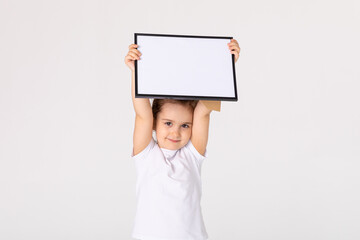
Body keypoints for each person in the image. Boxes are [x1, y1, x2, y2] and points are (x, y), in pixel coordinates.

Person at [124, 38, 240, 240]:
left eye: (185, 125)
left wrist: (227, 65)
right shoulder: (146, 155)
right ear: (154, 123)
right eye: (168, 123)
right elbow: (142, 113)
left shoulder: (192, 156)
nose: (176, 133)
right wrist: (136, 72)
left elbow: (204, 111)